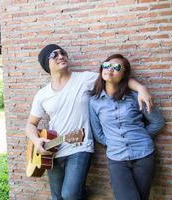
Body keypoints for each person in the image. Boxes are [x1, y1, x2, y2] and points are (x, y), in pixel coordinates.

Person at [25, 44, 153, 200]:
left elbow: (115, 76)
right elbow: (30, 125)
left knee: (70, 194)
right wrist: (36, 140)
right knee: (57, 197)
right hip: (52, 150)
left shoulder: (85, 78)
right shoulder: (42, 94)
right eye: (54, 55)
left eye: (62, 52)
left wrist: (141, 88)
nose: (61, 56)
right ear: (46, 64)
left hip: (80, 145)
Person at [89, 54, 165, 200]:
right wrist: (114, 141)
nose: (110, 69)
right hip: (116, 159)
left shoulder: (136, 96)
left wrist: (140, 136)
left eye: (116, 67)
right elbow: (98, 133)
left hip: (144, 155)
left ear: (124, 74)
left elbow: (158, 122)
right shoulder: (94, 102)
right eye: (106, 65)